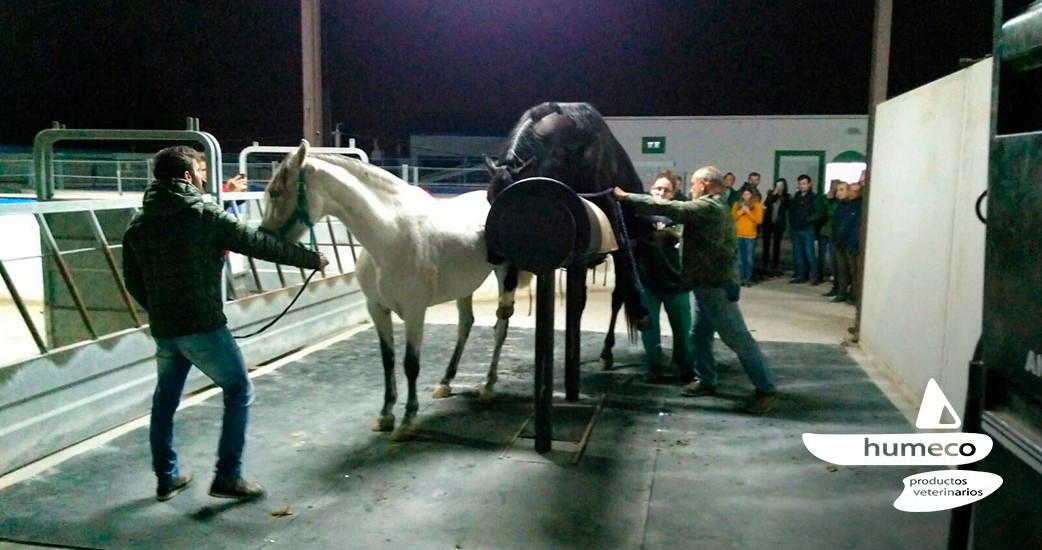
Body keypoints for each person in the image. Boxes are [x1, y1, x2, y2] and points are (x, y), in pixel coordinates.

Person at [122, 145, 329, 502]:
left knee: (164, 402)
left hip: (166, 332)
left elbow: (133, 281)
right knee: (238, 389)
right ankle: (228, 476)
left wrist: (162, 311)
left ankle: (166, 477)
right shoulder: (205, 215)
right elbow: (259, 244)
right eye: (201, 171)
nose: (204, 178)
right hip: (203, 326)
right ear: (187, 176)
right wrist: (311, 259)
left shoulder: (139, 223)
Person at [614, 166, 778, 414]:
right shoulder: (713, 207)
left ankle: (766, 389)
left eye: (693, 184)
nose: (690, 188)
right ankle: (706, 379)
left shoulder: (708, 207)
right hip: (704, 284)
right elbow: (690, 236)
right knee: (699, 337)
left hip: (716, 286)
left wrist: (626, 197)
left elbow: (674, 209)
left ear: (703, 184)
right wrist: (669, 238)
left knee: (738, 339)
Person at [636, 170, 694, 382]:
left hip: (676, 282)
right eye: (657, 188)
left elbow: (679, 237)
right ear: (651, 190)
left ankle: (686, 366)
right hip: (648, 282)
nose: (661, 192)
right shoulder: (640, 216)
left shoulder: (680, 214)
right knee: (649, 329)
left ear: (673, 193)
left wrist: (668, 232)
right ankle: (655, 365)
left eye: (666, 190)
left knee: (683, 330)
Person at [788, 174, 824, 285]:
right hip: (796, 229)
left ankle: (814, 277)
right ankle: (800, 275)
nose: (802, 186)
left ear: (809, 184)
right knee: (798, 254)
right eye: (800, 184)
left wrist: (808, 220)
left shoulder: (815, 197)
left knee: (810, 253)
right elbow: (791, 212)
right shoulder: (796, 197)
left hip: (808, 230)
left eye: (804, 184)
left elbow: (820, 212)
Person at [832, 182, 863, 304]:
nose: (852, 193)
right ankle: (841, 293)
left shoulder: (860, 206)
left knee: (854, 271)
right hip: (840, 241)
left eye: (855, 191)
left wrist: (854, 241)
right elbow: (837, 223)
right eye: (850, 190)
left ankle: (854, 295)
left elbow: (857, 226)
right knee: (842, 270)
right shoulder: (843, 205)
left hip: (852, 244)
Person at [731, 188, 763, 286]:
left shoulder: (757, 206)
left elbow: (759, 221)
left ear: (752, 195)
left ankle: (748, 279)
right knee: (740, 259)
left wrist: (748, 212)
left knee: (749, 259)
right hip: (738, 235)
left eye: (748, 194)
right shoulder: (736, 205)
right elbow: (731, 218)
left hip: (750, 236)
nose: (746, 197)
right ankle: (740, 278)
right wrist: (740, 213)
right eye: (744, 194)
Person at [760, 178, 790, 276]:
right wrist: (774, 194)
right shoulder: (771, 194)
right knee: (766, 243)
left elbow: (786, 207)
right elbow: (767, 204)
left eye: (781, 185)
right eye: (777, 185)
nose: (779, 187)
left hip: (778, 223)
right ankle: (765, 262)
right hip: (768, 222)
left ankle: (775, 264)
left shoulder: (787, 197)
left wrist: (781, 195)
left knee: (776, 244)